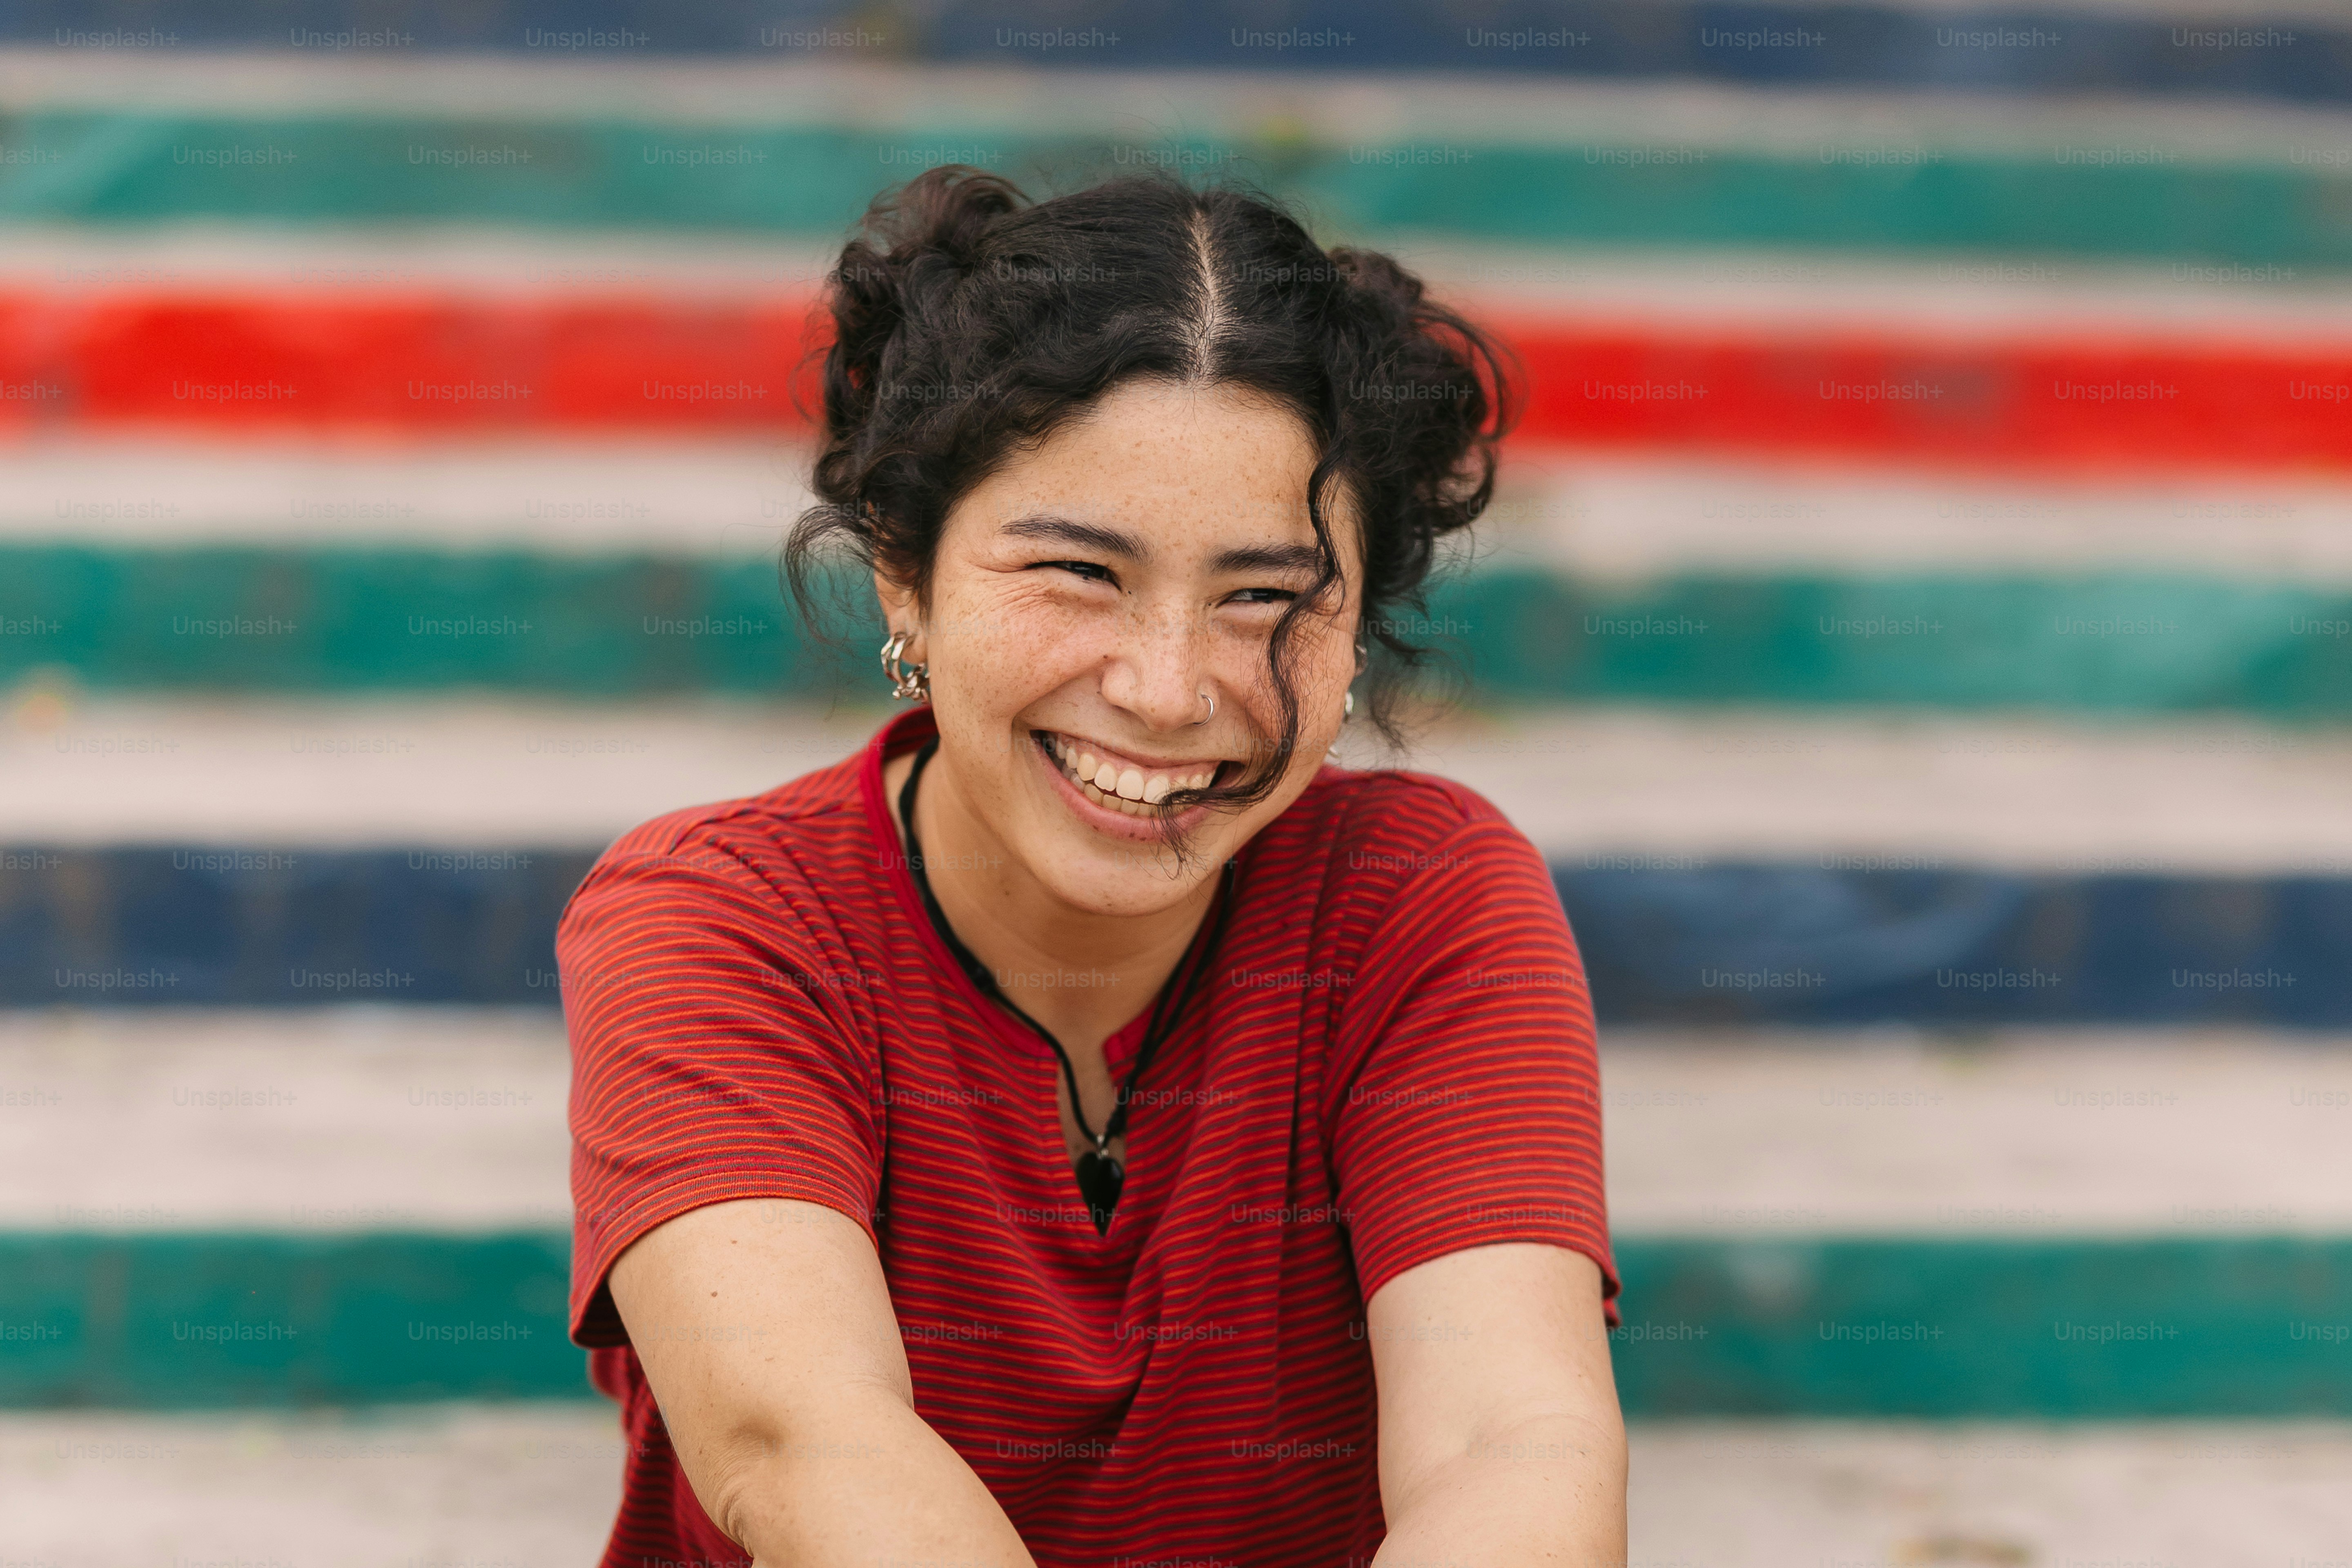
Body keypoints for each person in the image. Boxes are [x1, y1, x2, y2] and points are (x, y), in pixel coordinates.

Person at [558, 164, 1623, 1568]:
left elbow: (1514, 1450)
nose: (1171, 689)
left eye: (1266, 599)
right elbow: (804, 1447)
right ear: (902, 566)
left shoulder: (1419, 900)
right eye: (1077, 574)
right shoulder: (726, 921)